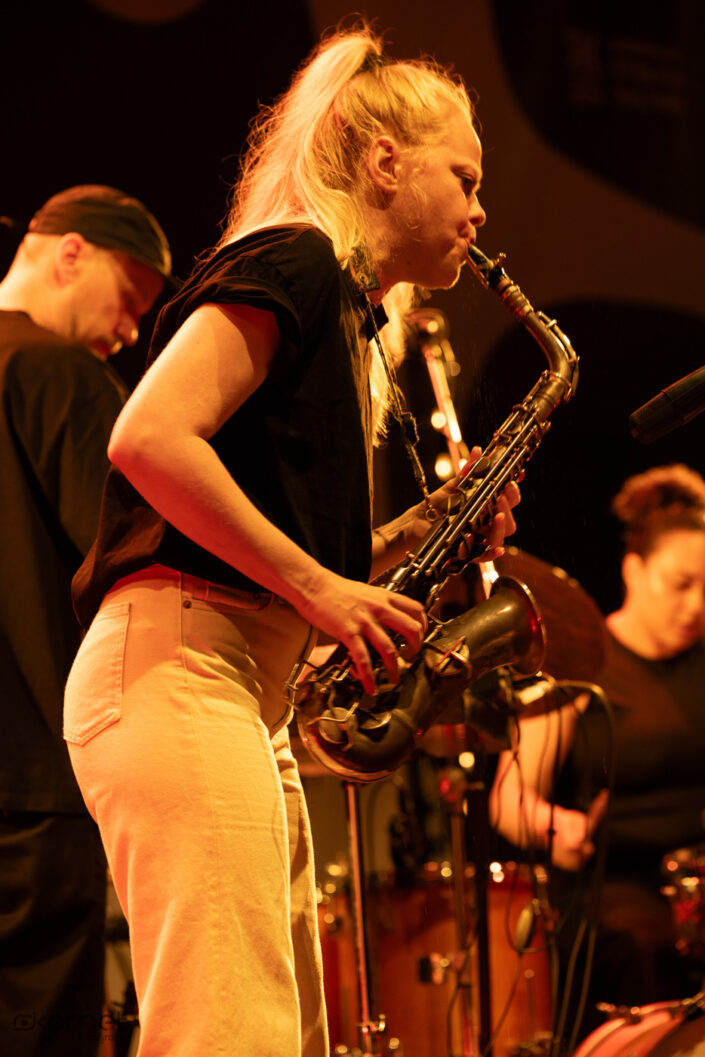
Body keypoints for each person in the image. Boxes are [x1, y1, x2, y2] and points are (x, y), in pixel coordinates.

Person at [63, 23, 521, 1057]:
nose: (480, 208)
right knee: (228, 1034)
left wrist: (428, 528)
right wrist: (322, 588)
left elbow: (278, 537)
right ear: (385, 163)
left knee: (278, 1034)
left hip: (230, 683)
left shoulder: (345, 307)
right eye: (465, 177)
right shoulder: (300, 256)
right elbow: (147, 438)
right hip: (181, 667)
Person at [0, 184, 171, 1057]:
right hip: (31, 783)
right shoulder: (54, 369)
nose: (132, 332)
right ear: (71, 253)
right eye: (131, 298)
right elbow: (144, 544)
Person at [490, 463, 705, 1049]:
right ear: (633, 570)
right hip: (616, 884)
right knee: (643, 944)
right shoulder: (582, 661)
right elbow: (509, 796)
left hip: (694, 878)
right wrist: (557, 827)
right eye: (680, 584)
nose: (695, 605)